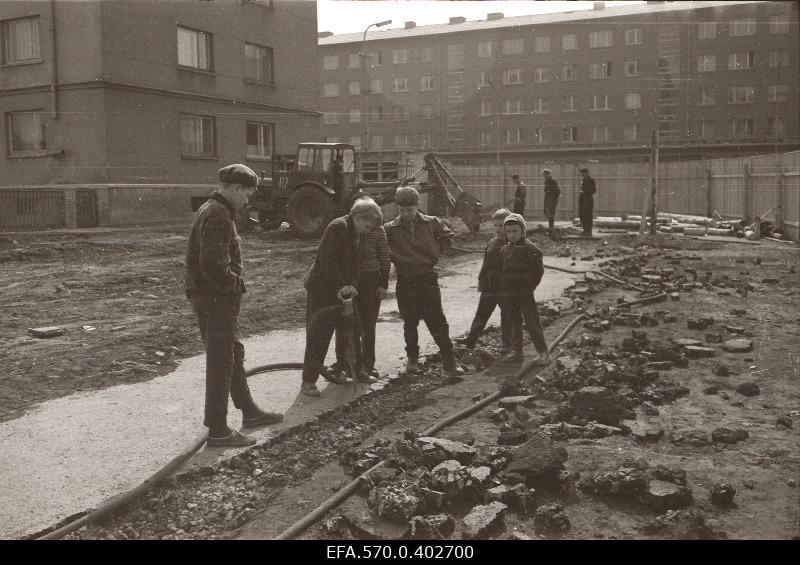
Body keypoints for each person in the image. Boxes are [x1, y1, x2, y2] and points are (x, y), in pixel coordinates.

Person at [185, 164, 283, 448]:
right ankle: (217, 429)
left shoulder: (212, 208)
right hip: (216, 299)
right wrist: (234, 286)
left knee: (232, 354)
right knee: (221, 361)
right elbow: (212, 264)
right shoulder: (218, 215)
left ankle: (249, 412)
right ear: (236, 189)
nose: (248, 200)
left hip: (210, 297)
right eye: (248, 194)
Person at [300, 198, 384, 397]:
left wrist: (352, 285)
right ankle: (308, 380)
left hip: (344, 289)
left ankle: (354, 369)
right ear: (357, 217)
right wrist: (341, 285)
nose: (369, 230)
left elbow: (357, 263)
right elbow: (327, 261)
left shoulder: (360, 233)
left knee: (352, 331)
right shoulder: (337, 228)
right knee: (319, 335)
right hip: (322, 289)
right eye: (367, 225)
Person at [384, 186, 464, 377]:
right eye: (401, 210)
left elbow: (447, 236)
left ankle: (449, 362)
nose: (405, 214)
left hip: (427, 278)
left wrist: (437, 254)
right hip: (405, 281)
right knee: (410, 323)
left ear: (417, 206)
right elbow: (383, 250)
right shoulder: (390, 228)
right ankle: (412, 360)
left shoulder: (432, 222)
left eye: (409, 210)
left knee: (437, 320)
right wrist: (395, 259)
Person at [329, 197, 392, 381]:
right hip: (351, 281)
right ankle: (342, 363)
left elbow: (386, 259)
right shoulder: (350, 231)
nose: (369, 227)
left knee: (368, 324)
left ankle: (367, 363)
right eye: (367, 223)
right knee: (347, 323)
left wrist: (383, 284)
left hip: (370, 282)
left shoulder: (378, 232)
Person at [456, 208, 514, 352]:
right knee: (481, 313)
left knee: (507, 315)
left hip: (505, 286)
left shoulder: (514, 244)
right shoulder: (492, 242)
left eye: (502, 226)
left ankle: (507, 345)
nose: (499, 229)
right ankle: (471, 340)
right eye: (496, 225)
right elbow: (486, 263)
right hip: (489, 284)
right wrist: (481, 280)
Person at [499, 213, 551, 365]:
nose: (512, 235)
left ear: (523, 231)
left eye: (515, 231)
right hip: (509, 293)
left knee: (531, 321)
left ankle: (543, 352)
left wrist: (528, 286)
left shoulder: (531, 249)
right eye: (508, 231)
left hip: (524, 293)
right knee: (514, 322)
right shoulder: (505, 250)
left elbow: (538, 271)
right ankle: (517, 352)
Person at [578, 167, 597, 237]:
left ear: (586, 173)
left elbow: (593, 190)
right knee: (582, 215)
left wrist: (584, 192)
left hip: (588, 200)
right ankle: (585, 230)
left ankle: (588, 231)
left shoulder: (591, 180)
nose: (582, 174)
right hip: (583, 200)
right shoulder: (584, 180)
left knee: (588, 216)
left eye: (583, 173)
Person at [542, 169, 561, 234]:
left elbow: (558, 191)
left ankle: (551, 227)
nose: (543, 176)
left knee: (551, 214)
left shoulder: (553, 182)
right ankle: (550, 226)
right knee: (548, 213)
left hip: (551, 200)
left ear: (548, 174)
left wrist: (553, 199)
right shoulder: (547, 182)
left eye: (544, 175)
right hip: (547, 199)